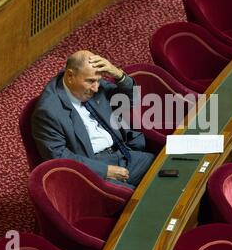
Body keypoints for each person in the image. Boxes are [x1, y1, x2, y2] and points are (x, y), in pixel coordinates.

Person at [31, 50, 154, 189]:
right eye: (90, 81)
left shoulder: (93, 84)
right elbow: (59, 157)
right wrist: (105, 171)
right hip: (92, 169)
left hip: (122, 151)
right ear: (70, 76)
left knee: (164, 167)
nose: (96, 88)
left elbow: (131, 101)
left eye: (98, 80)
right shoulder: (48, 112)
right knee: (134, 197)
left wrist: (119, 75)